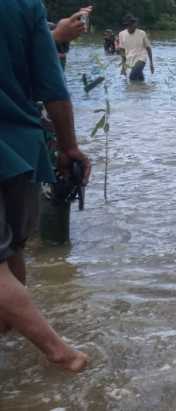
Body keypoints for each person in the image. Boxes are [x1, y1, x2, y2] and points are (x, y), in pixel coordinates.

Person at [0, 0, 92, 372]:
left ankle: (62, 355)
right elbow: (52, 86)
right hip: (22, 142)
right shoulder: (23, 4)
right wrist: (69, 146)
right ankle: (10, 346)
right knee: (13, 250)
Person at [117, 15, 154, 82]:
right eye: (131, 24)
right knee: (140, 79)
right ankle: (142, 89)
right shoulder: (121, 34)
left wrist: (151, 63)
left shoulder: (142, 33)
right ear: (127, 25)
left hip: (141, 58)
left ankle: (133, 91)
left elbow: (148, 48)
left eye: (134, 23)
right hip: (130, 59)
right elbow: (122, 50)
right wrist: (123, 65)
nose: (134, 25)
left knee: (132, 76)